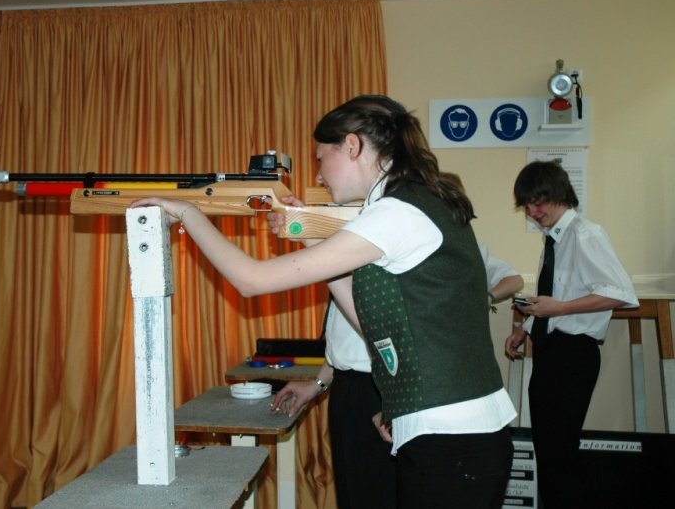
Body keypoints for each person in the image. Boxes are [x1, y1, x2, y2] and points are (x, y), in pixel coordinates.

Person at [132, 94, 517, 508]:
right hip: (453, 433)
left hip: (451, 439)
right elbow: (372, 324)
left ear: (351, 146)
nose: (318, 174)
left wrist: (189, 213)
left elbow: (250, 280)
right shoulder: (414, 201)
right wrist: (308, 236)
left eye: (320, 158)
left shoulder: (396, 214)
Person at [269, 187, 523, 509]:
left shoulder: (407, 234)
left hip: (387, 388)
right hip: (348, 386)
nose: (320, 177)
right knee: (353, 493)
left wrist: (486, 298)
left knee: (382, 494)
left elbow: (398, 332)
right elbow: (350, 333)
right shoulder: (359, 232)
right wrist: (318, 383)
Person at [503, 160, 638, 509]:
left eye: (539, 202)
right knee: (550, 453)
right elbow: (558, 296)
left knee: (559, 456)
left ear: (560, 194)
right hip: (552, 351)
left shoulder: (585, 234)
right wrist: (525, 328)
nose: (533, 212)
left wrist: (559, 309)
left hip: (573, 354)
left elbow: (621, 293)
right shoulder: (554, 240)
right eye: (527, 206)